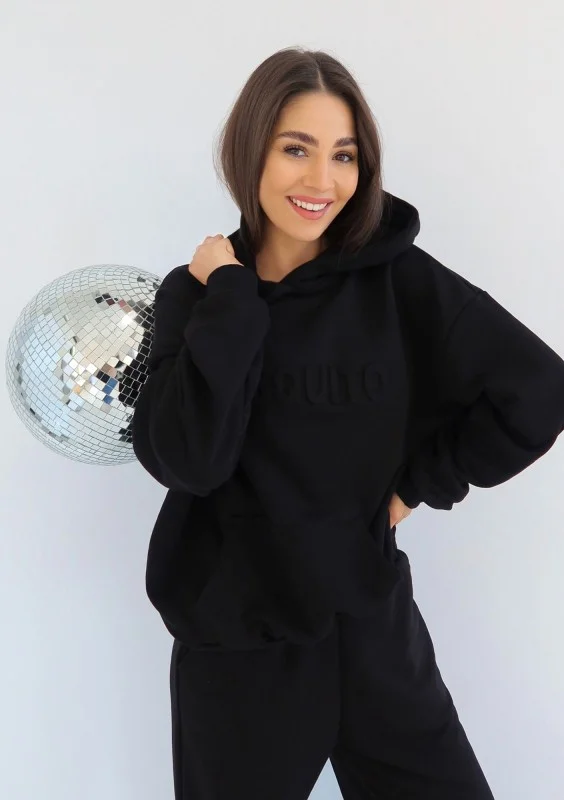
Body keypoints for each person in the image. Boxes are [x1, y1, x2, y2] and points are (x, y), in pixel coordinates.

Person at [131, 46, 564, 800]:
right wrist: (232, 296)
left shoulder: (398, 281)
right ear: (250, 150)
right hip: (239, 651)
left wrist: (422, 484)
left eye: (344, 156)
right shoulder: (196, 297)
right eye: (296, 149)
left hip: (372, 634)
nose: (321, 182)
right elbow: (191, 461)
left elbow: (538, 389)